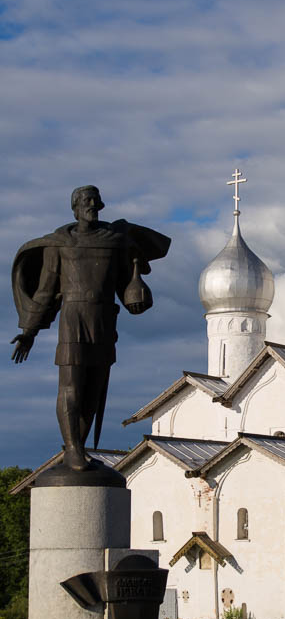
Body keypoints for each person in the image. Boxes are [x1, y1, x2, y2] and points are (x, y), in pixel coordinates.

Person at [11, 185, 171, 471]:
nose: (93, 205)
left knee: (93, 390)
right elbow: (47, 290)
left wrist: (138, 294)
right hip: (73, 318)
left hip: (104, 319)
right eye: (87, 201)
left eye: (96, 200)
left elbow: (127, 289)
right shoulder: (60, 243)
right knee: (71, 385)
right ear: (74, 206)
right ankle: (72, 449)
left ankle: (79, 447)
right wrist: (29, 331)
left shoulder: (114, 241)